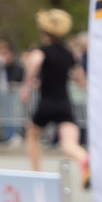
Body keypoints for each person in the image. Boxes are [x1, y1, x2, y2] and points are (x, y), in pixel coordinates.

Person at [24, 9, 85, 180]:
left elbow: (33, 64)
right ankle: (84, 159)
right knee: (69, 145)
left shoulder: (42, 51)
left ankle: (36, 172)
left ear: (45, 32)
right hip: (64, 104)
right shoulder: (68, 53)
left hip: (47, 103)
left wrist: (27, 85)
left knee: (32, 135)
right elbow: (79, 76)